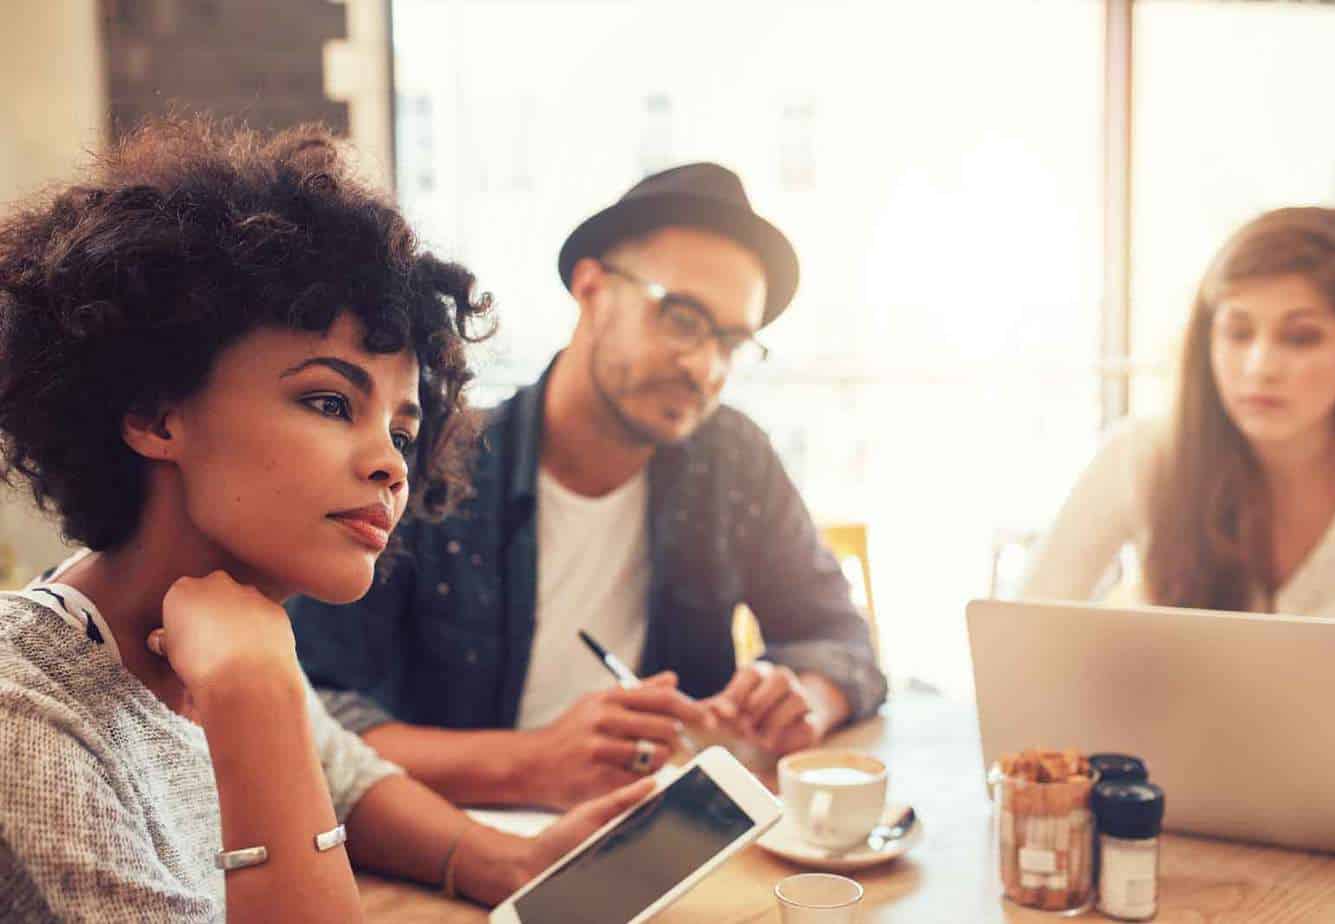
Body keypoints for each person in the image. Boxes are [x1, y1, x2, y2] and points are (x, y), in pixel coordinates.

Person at [0, 118, 654, 923]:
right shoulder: (26, 720)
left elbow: (349, 780)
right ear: (155, 412)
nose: (391, 466)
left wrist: (511, 862)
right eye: (329, 402)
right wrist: (257, 704)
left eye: (404, 433)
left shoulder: (226, 616)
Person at [289, 163, 887, 810]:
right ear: (591, 288)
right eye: (681, 318)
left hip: (666, 842)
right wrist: (528, 765)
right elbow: (313, 710)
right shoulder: (433, 460)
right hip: (451, 850)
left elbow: (840, 641)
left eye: (731, 341)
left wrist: (803, 698)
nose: (704, 367)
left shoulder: (730, 459)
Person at [1023, 206, 1335, 618]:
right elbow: (1019, 630)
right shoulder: (1141, 456)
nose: (1260, 367)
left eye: (1301, 338)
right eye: (1238, 332)